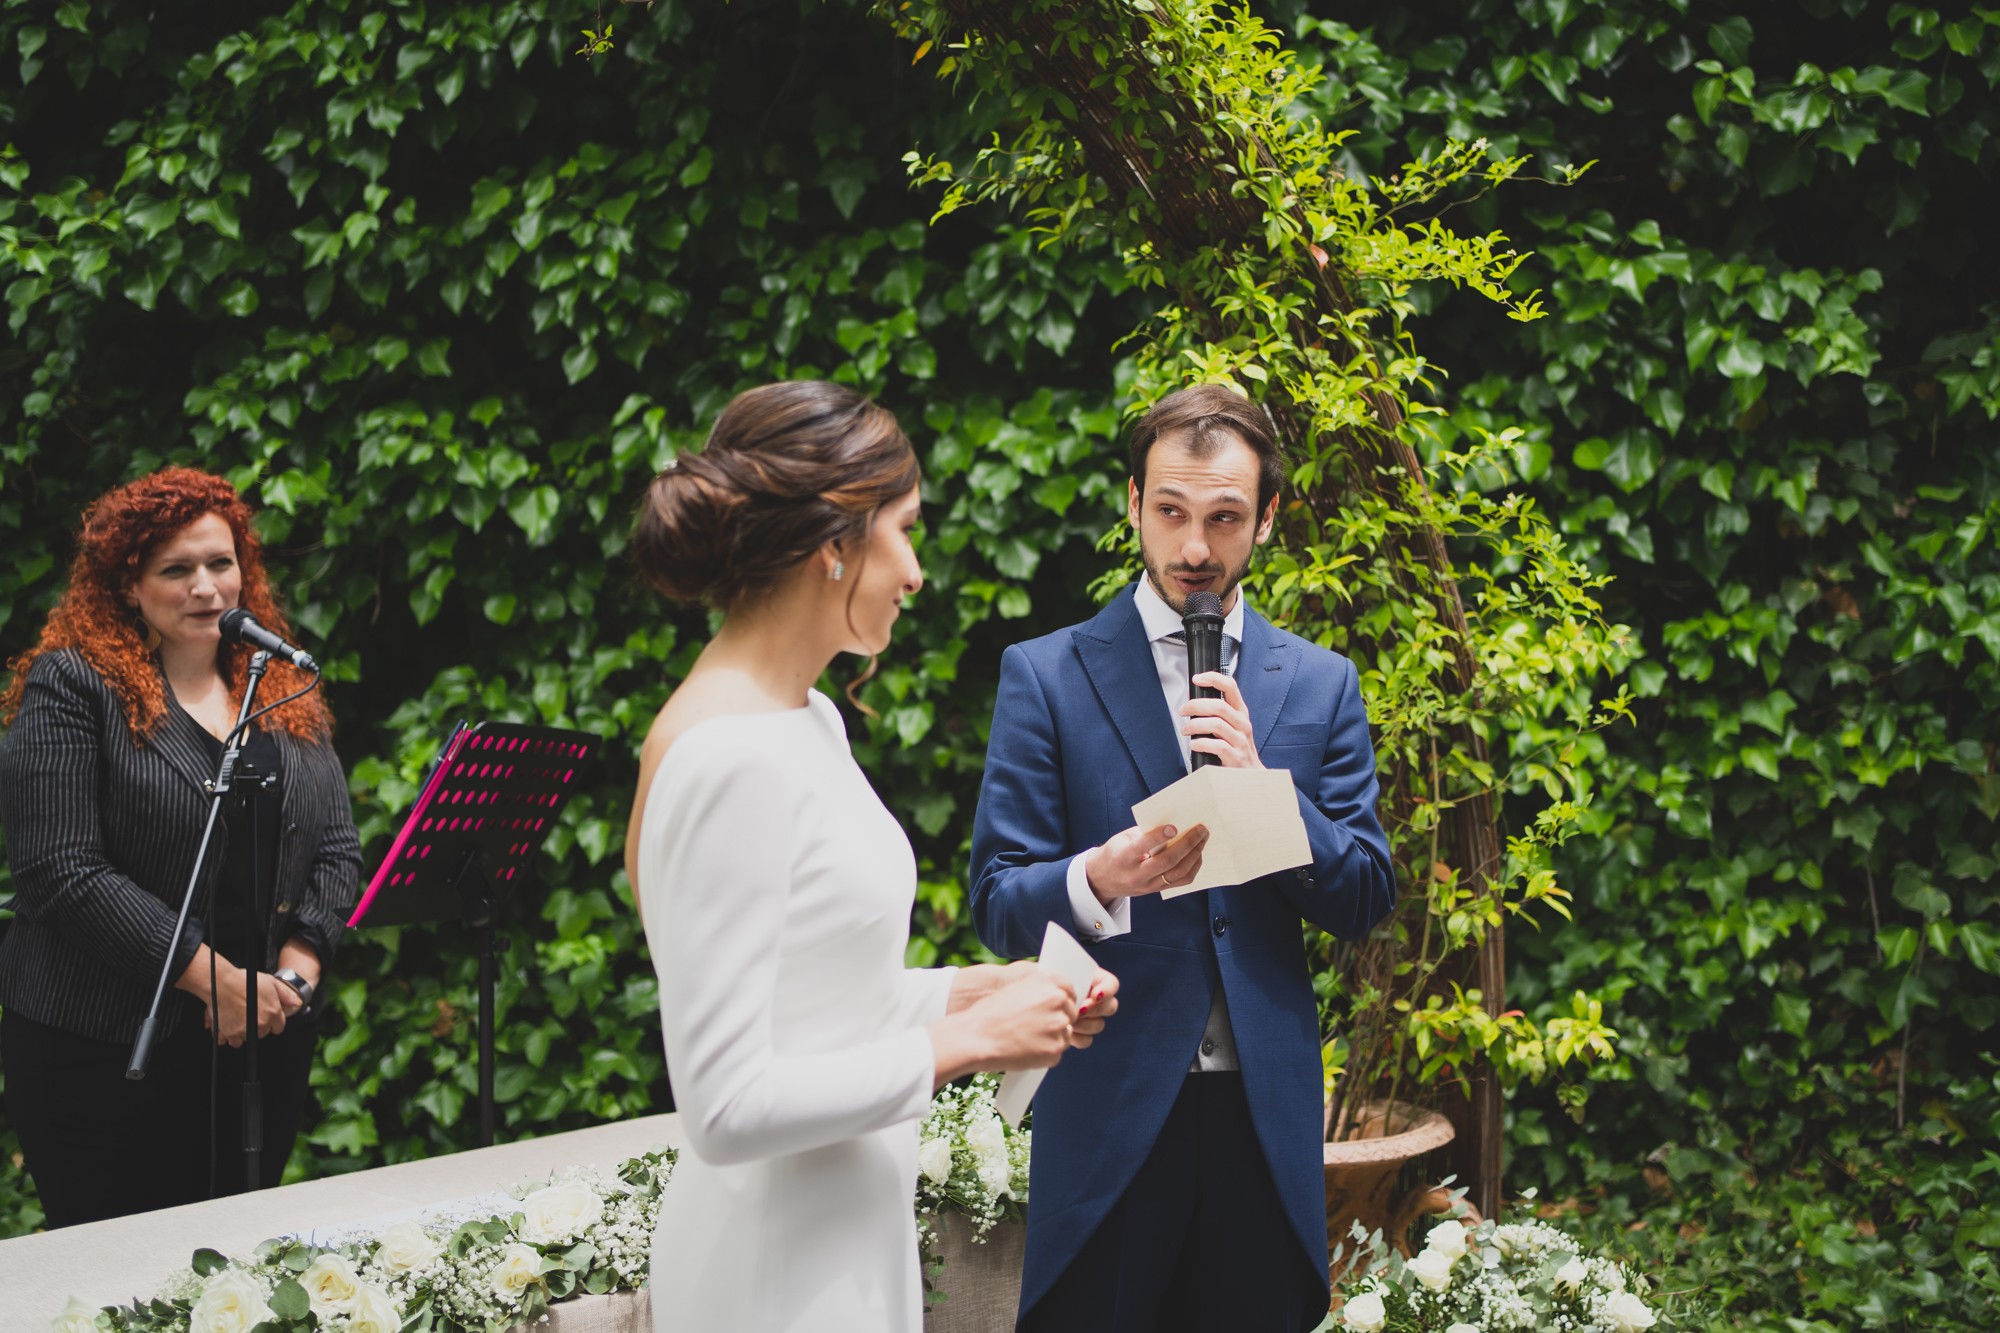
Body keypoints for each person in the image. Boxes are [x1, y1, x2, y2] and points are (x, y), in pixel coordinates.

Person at [624, 380, 1121, 1333]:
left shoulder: (807, 717)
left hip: (845, 1235)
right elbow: (724, 1104)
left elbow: (814, 999)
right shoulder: (727, 754)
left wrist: (972, 991)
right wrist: (971, 1043)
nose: (917, 570)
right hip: (773, 1265)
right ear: (834, 545)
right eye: (905, 530)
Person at [969, 383, 1399, 1331]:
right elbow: (998, 896)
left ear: (1269, 518)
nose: (1195, 547)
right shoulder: (1046, 674)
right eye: (1169, 511)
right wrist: (1096, 878)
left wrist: (1265, 791)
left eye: (1224, 517)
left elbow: (1367, 893)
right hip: (1111, 1105)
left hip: (1260, 1119)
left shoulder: (1322, 685)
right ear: (1133, 503)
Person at [0, 466, 360, 1227]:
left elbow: (336, 849)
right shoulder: (74, 686)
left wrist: (291, 980)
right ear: (128, 585)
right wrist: (210, 977)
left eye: (220, 563)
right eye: (177, 569)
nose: (206, 587)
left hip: (257, 1042)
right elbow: (60, 871)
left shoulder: (277, 684)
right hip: (105, 1048)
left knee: (238, 1269)